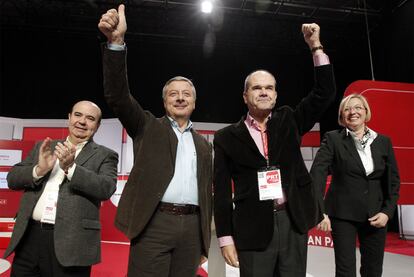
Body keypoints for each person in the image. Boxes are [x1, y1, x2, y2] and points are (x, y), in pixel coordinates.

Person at [98, 4, 213, 277]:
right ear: (164, 101)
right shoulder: (147, 126)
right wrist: (116, 43)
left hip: (192, 229)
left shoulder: (204, 145)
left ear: (195, 103)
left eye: (187, 94)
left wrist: (204, 237)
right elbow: (117, 95)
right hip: (154, 223)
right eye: (174, 94)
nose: (181, 98)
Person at [213, 23, 336, 276]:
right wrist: (225, 238)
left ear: (276, 96)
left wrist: (316, 47)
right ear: (245, 96)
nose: (263, 92)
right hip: (252, 228)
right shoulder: (226, 137)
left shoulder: (289, 119)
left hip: (292, 221)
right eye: (257, 88)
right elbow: (222, 193)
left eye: (269, 88)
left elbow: (325, 93)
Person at [3, 100, 119, 276]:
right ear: (69, 117)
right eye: (78, 115)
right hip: (29, 237)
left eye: (90, 118)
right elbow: (12, 179)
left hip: (72, 242)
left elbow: (106, 188)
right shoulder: (45, 147)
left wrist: (71, 168)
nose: (82, 121)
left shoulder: (105, 155)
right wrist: (39, 170)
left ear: (97, 125)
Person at [310, 94, 400, 277]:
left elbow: (393, 181)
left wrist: (387, 212)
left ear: (366, 112)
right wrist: (320, 212)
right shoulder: (333, 139)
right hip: (342, 215)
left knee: (373, 270)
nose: (353, 112)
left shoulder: (383, 141)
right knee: (345, 271)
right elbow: (318, 173)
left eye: (358, 107)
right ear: (342, 115)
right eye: (347, 109)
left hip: (376, 214)